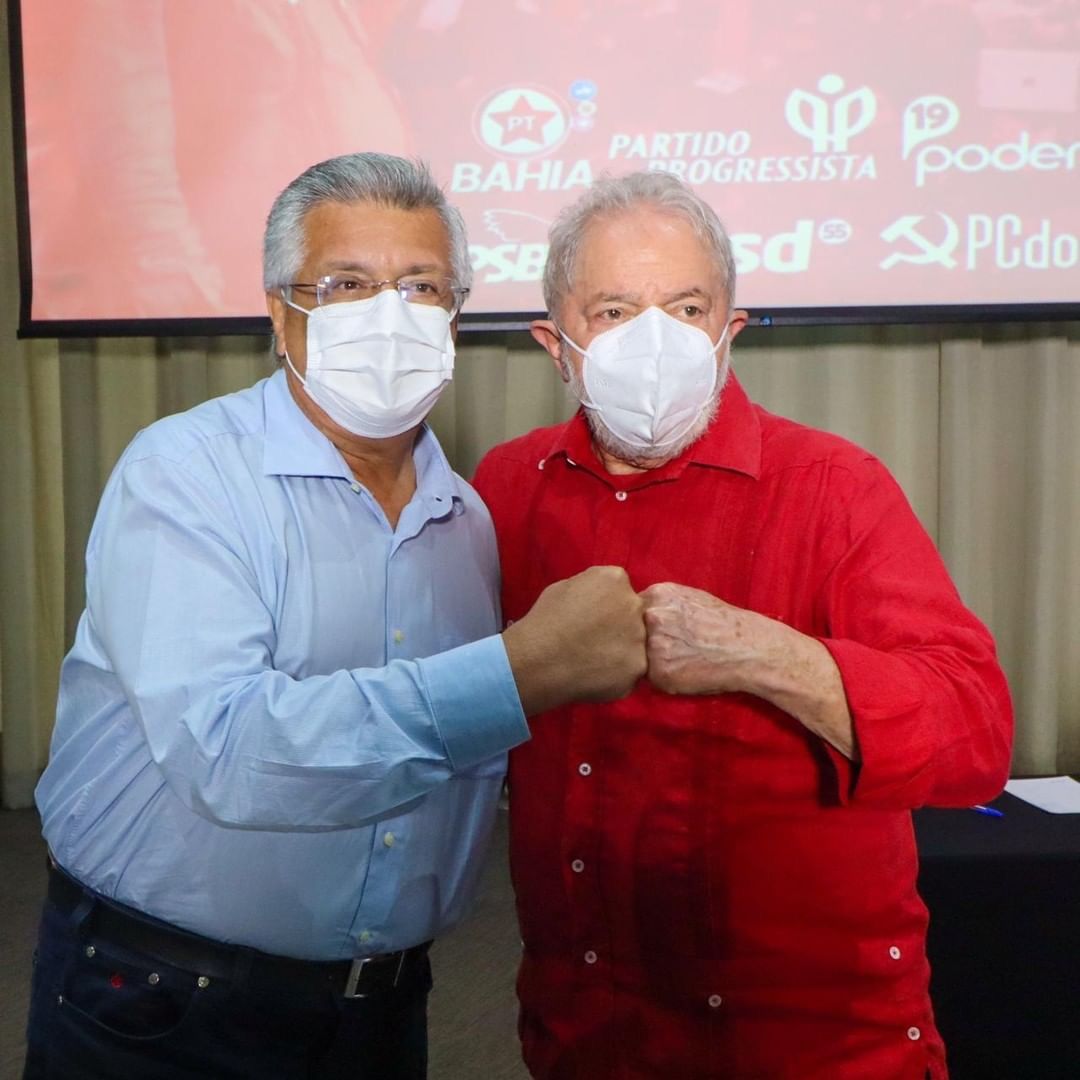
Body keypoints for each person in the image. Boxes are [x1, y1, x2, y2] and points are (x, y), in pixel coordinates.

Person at [23, 152, 646, 1080]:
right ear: (281, 315)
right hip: (163, 1004)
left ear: (454, 318)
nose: (389, 316)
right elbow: (229, 753)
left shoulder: (466, 521)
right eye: (347, 285)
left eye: (421, 286)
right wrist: (518, 675)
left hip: (381, 1006)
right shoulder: (186, 476)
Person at [472, 170, 1013, 1079]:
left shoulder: (834, 488)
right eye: (614, 312)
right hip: (588, 1036)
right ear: (555, 344)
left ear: (731, 329)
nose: (655, 341)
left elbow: (975, 736)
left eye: (687, 308)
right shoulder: (505, 487)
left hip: (813, 1045)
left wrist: (769, 655)